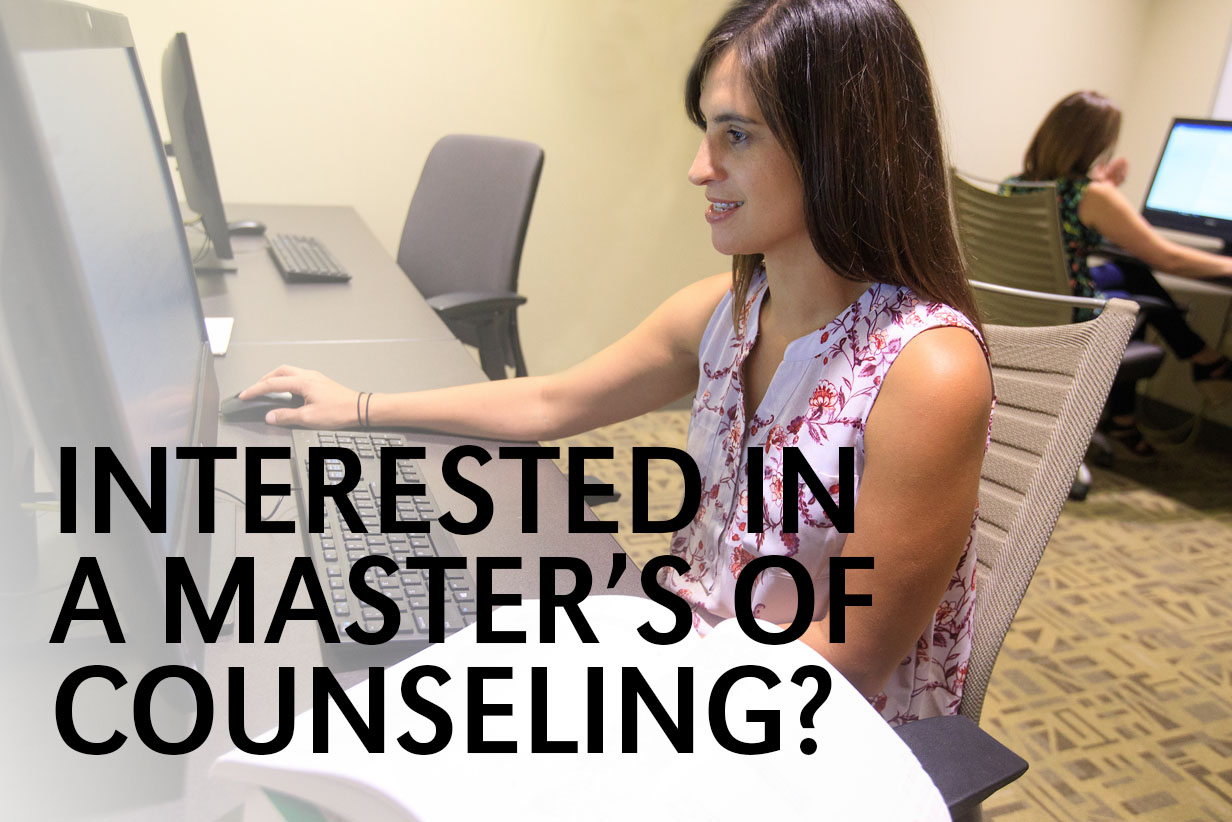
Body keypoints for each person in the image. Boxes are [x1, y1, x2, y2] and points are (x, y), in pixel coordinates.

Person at [242, 0, 993, 726]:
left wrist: (624, 701)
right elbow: (552, 405)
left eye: (737, 136)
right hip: (690, 663)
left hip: (810, 729)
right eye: (706, 132)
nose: (700, 168)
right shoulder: (726, 311)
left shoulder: (928, 372)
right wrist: (361, 407)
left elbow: (852, 657)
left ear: (840, 147)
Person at [1005, 91, 1232, 456]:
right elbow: (1169, 258)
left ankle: (1130, 417)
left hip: (1032, 304)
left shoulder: (1016, 183)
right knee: (1133, 304)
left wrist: (1104, 186)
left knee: (1129, 273)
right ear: (1098, 143)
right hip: (1071, 312)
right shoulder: (1092, 195)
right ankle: (1203, 358)